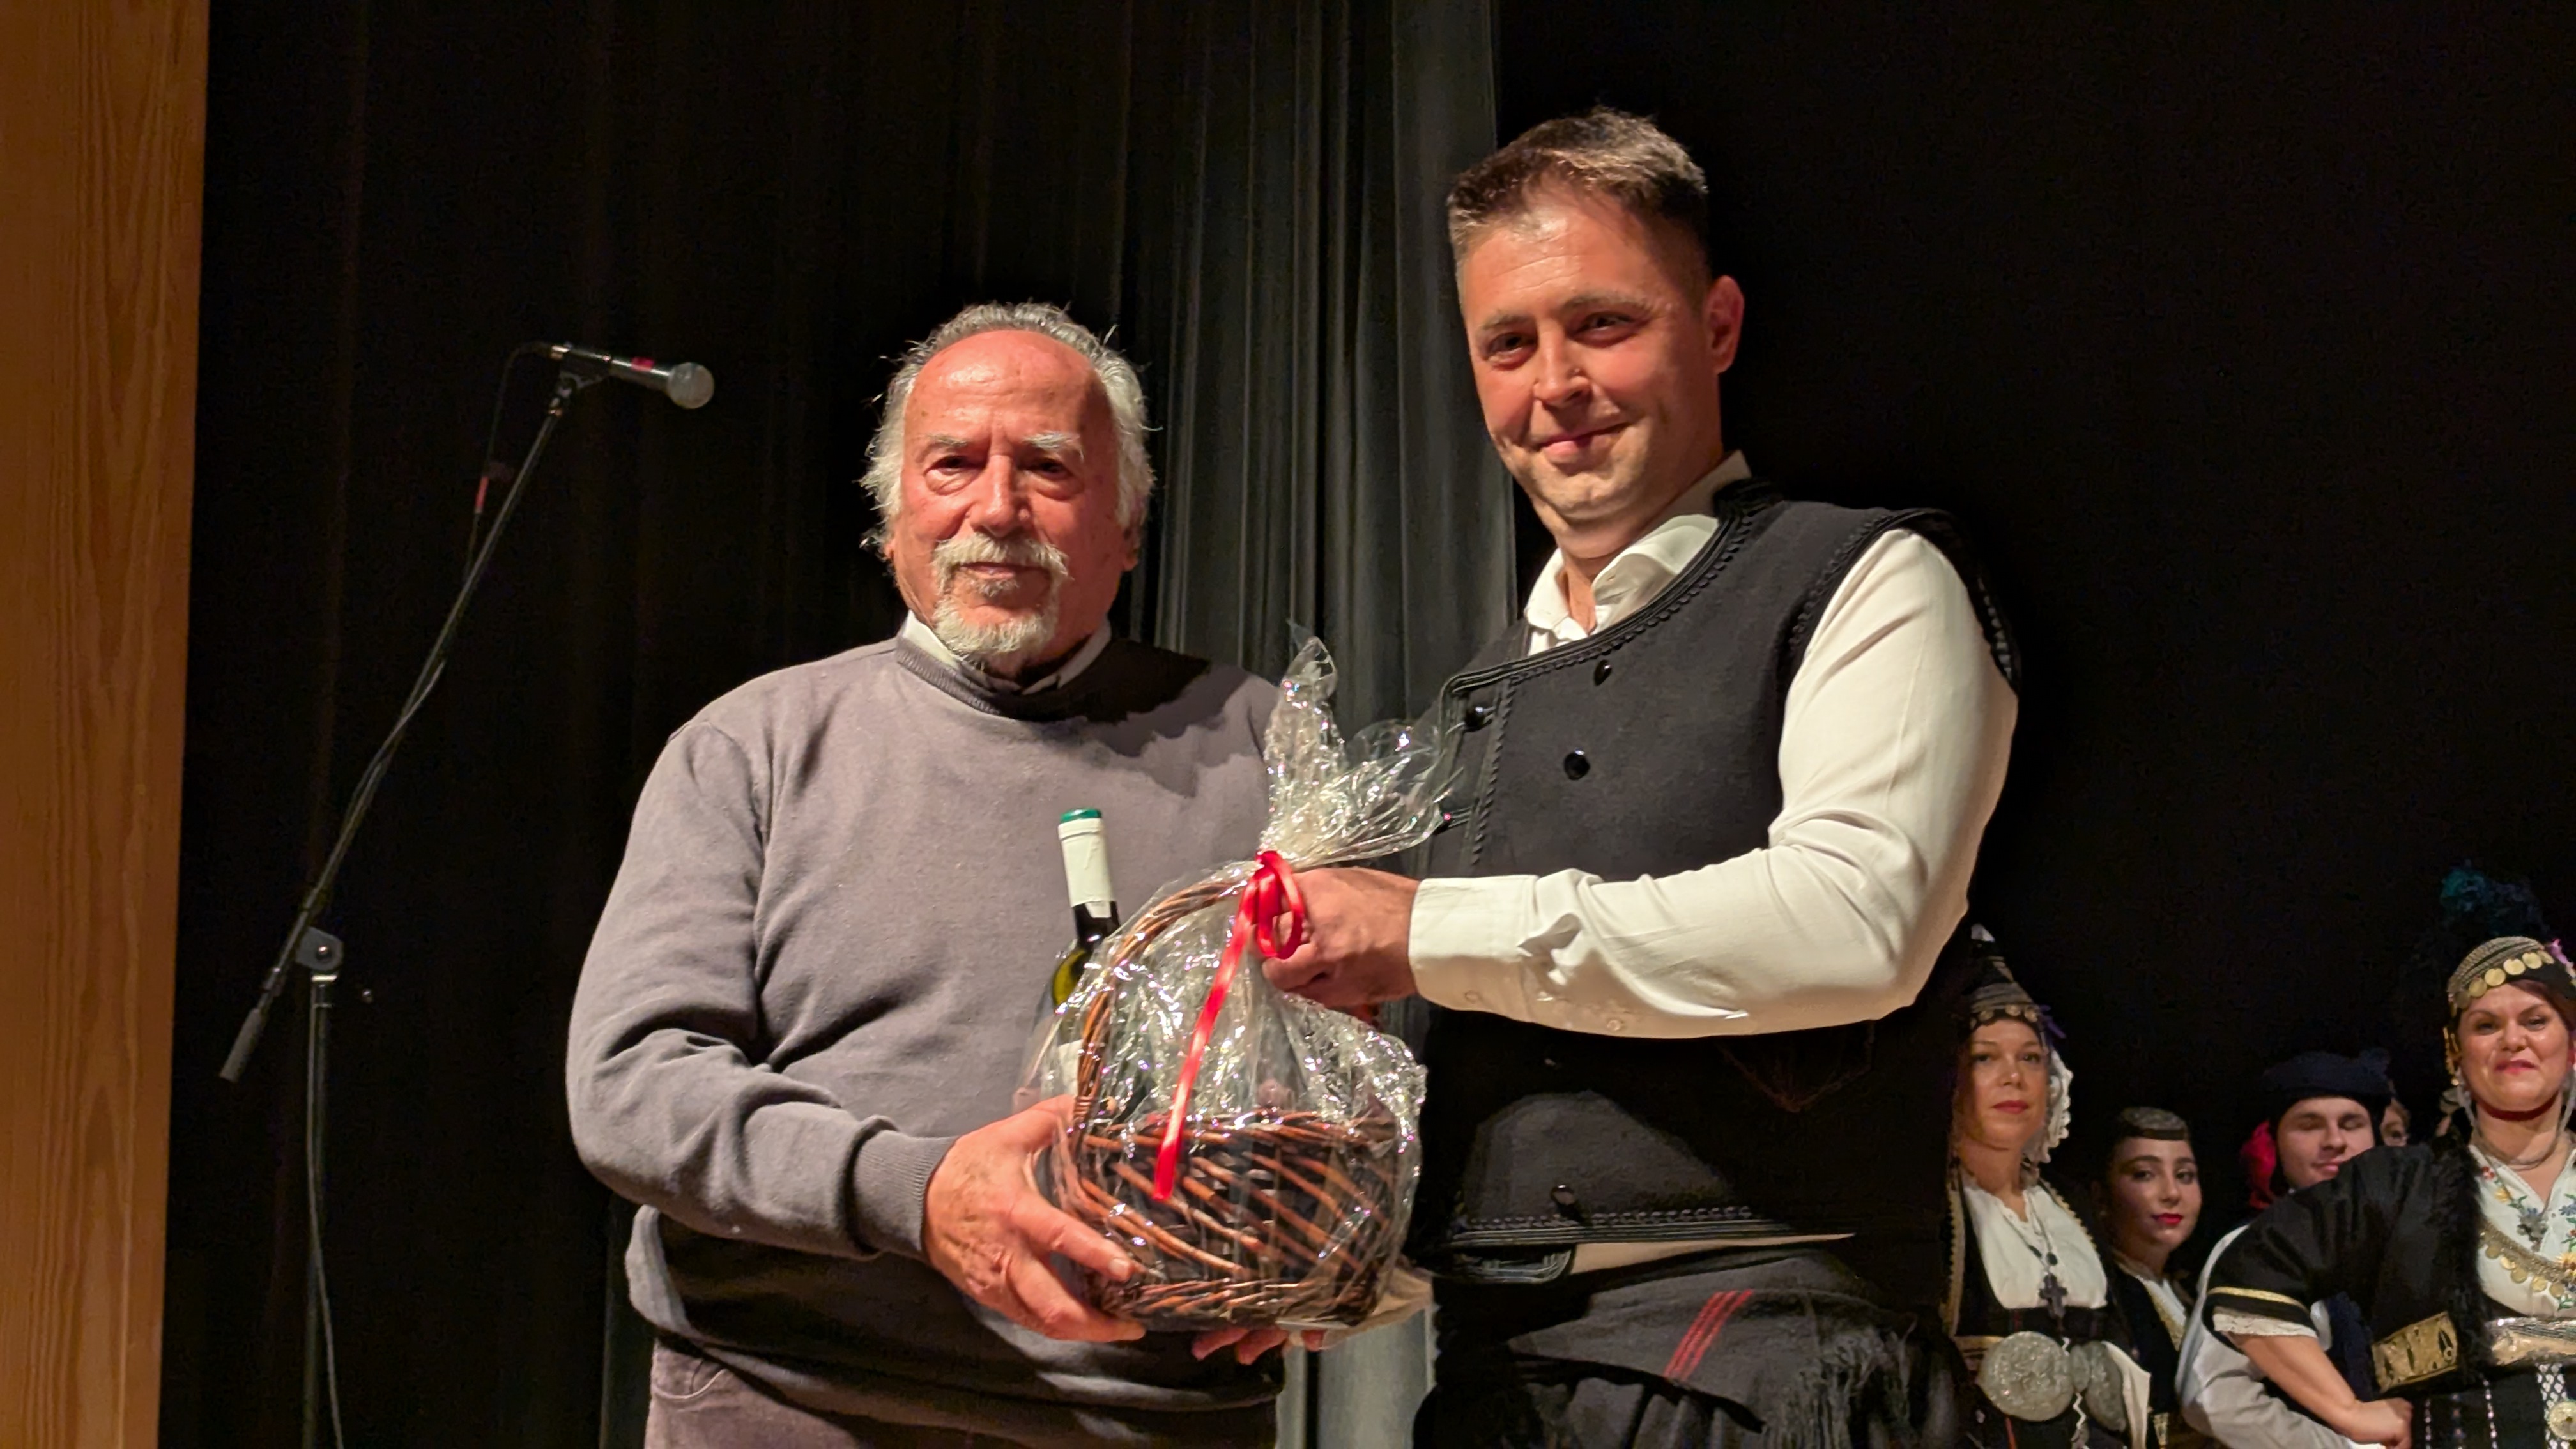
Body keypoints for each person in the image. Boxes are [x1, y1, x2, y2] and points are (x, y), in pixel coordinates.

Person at [1262, 107, 2018, 1445]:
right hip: (1491, 1378)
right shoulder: (1470, 704)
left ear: (1717, 325)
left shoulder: (1865, 580)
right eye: (1507, 343)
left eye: (1602, 323)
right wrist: (1316, 1257)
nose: (1554, 382)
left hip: (1765, 1363)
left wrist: (1420, 930)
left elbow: (1856, 923)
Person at [566, 302, 1292, 1446]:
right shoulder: (752, 745)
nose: (996, 508)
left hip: (1148, 1414)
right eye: (953, 464)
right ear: (892, 514)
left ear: (1129, 526)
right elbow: (633, 1087)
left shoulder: (1261, 743)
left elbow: (1359, 1070)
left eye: (1048, 466)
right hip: (788, 1396)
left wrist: (1321, 1239)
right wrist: (914, 1192)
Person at [2204, 870, 2576, 1446]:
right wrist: (2350, 1412)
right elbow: (2248, 1278)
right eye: (2485, 1025)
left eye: (2535, 1020)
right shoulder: (2396, 1186)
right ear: (2456, 1054)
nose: (2513, 1040)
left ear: (2570, 1043)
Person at [1945, 944, 2149, 1448]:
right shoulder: (1935, 1210)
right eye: (1985, 1058)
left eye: (2030, 1058)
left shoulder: (2068, 1204)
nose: (2014, 1077)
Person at [2177, 1051, 2390, 1448]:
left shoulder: (2411, 1240)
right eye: (2309, 1125)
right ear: (2275, 1142)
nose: (2335, 1141)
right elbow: (2213, 1397)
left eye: (2351, 1124)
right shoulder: (2259, 1250)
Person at [2094, 1107, 2209, 1448]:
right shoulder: (2098, 1296)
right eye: (2145, 1174)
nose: (2172, 1193)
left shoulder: (2194, 1289)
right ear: (2101, 1196)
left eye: (2185, 1175)